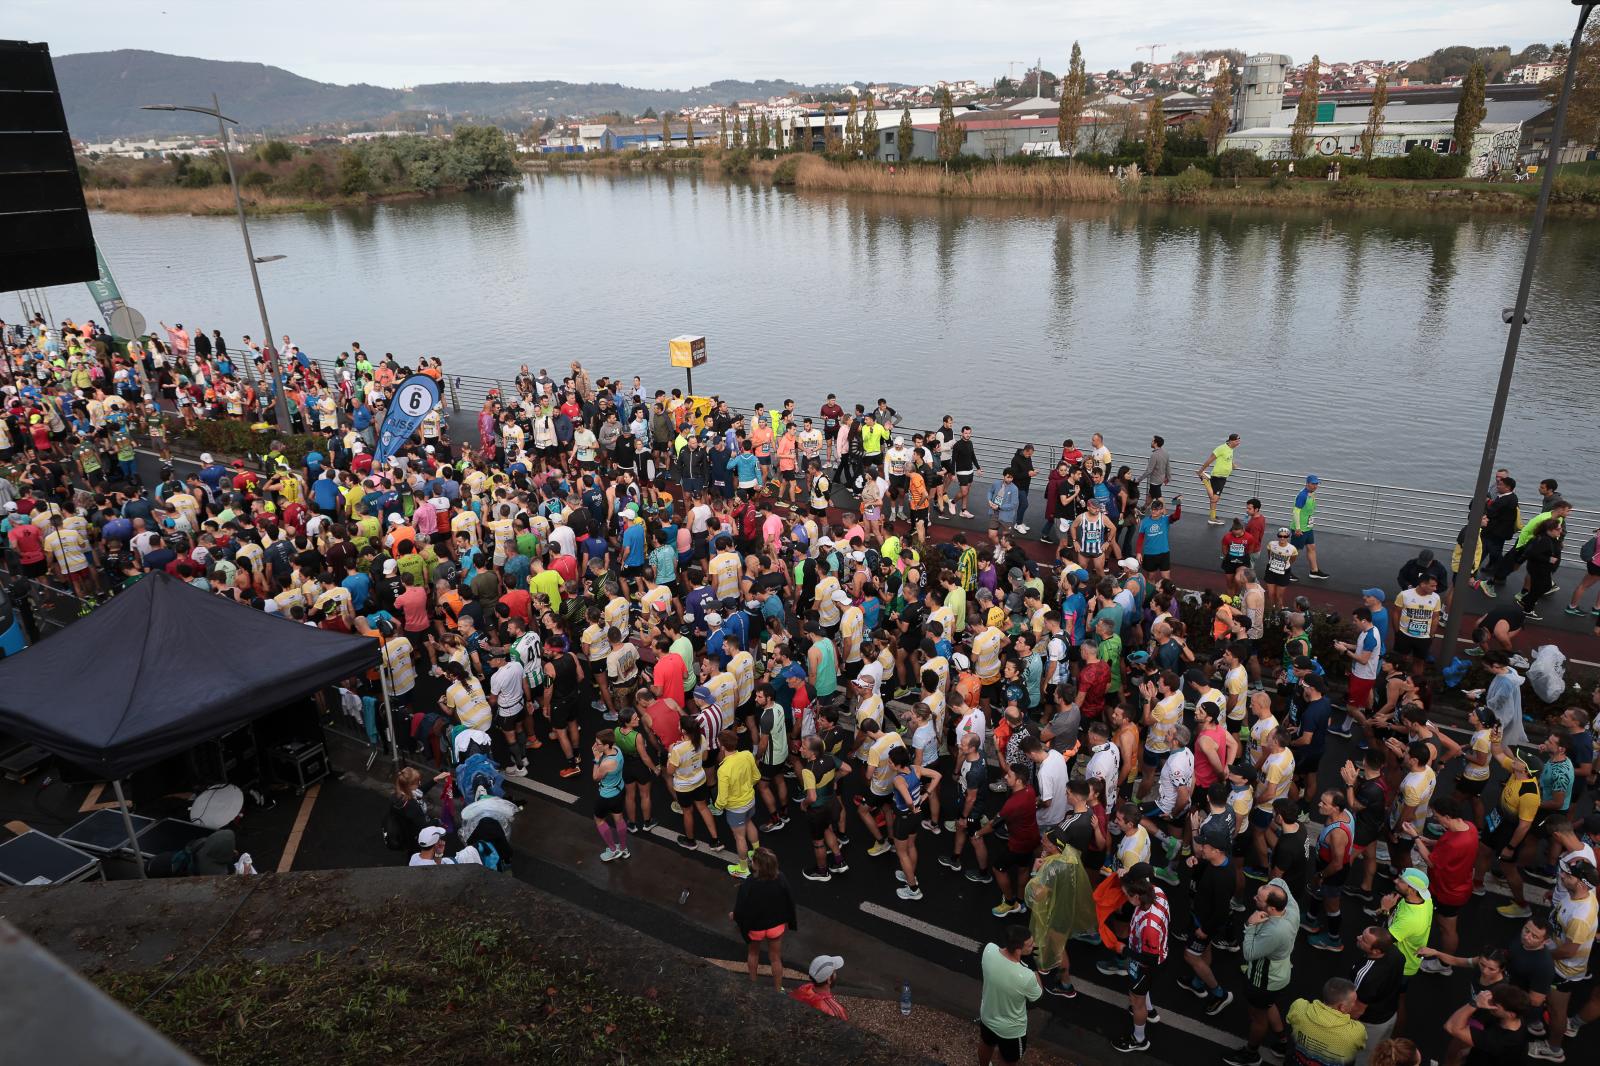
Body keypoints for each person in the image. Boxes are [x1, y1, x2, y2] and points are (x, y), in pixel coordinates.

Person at [1226, 878, 1299, 1066]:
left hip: (1263, 981)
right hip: (1278, 976)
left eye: (1258, 898)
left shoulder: (1275, 931)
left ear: (1271, 908)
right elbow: (1280, 881)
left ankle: (1251, 1053)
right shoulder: (1290, 907)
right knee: (1268, 1005)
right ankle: (1283, 1041)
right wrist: (1271, 884)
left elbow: (1249, 953)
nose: (1254, 898)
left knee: (1257, 1017)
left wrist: (1250, 926)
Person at [731, 847, 797, 992]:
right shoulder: (781, 878)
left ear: (758, 865)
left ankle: (753, 985)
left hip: (756, 928)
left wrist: (734, 915)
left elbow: (741, 908)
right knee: (775, 958)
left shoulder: (749, 884)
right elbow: (789, 900)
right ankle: (778, 989)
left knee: (753, 953)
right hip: (776, 927)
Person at [978, 925, 1042, 1066]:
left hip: (987, 1016)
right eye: (1031, 945)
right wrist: (1033, 967)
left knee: (986, 1043)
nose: (1034, 945)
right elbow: (1037, 995)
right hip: (1011, 1031)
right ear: (1019, 950)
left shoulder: (989, 950)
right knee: (1009, 1060)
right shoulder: (1026, 976)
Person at [1285, 978, 1368, 1066]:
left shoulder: (1299, 1008)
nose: (1355, 1005)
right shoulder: (1355, 1032)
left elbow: (1290, 1019)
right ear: (1342, 1007)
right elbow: (1360, 1046)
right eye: (1353, 1002)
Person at [591, 728, 630, 862]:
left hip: (607, 796)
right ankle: (624, 849)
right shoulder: (617, 750)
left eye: (598, 744)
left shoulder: (606, 763)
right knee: (619, 819)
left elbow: (595, 777)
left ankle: (613, 850)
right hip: (619, 790)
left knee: (599, 819)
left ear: (607, 745)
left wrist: (596, 759)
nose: (595, 746)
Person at [790, 954, 848, 1019]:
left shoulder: (803, 989)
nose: (836, 974)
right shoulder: (836, 1011)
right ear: (829, 980)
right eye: (834, 972)